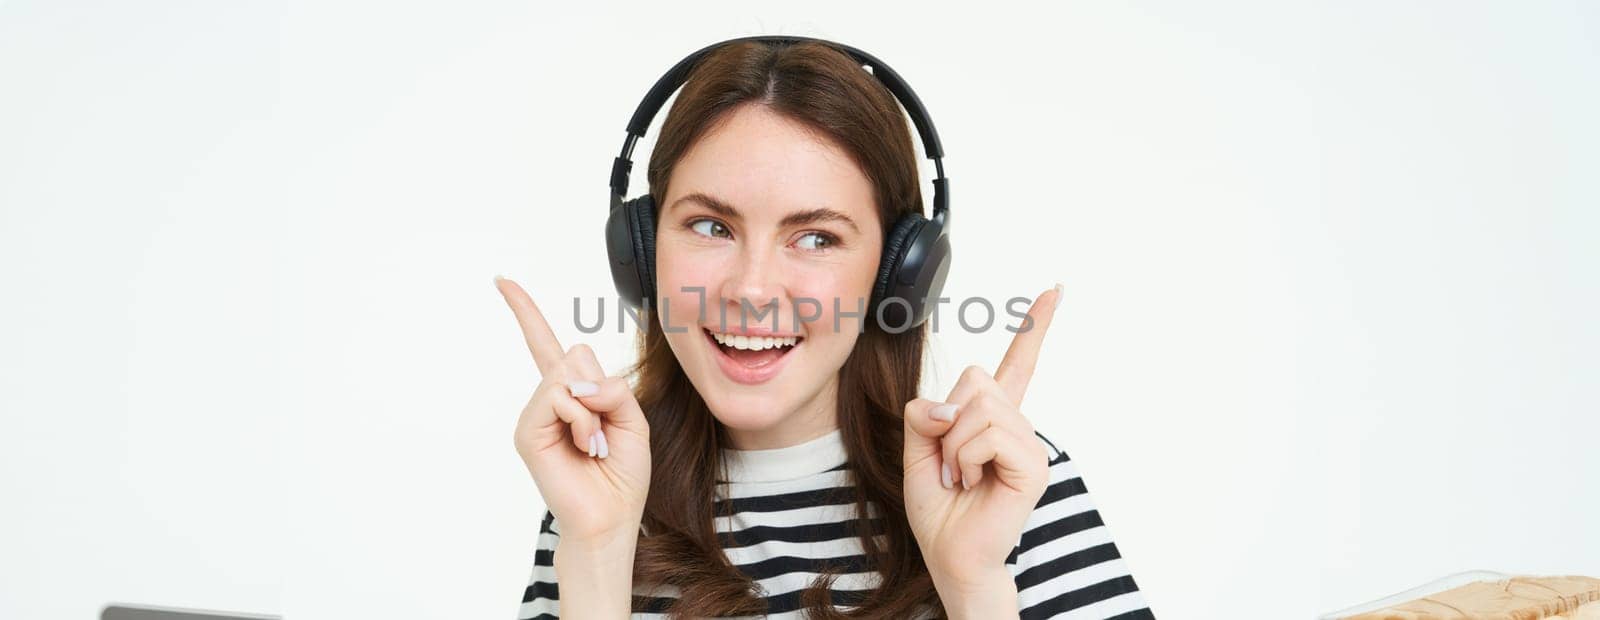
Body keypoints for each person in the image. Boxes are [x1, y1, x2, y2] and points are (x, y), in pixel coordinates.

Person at [497, 37, 1152, 619]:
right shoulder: (596, 493)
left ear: (901, 272)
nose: (752, 290)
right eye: (710, 226)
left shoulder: (1004, 478)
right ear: (640, 254)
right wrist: (598, 558)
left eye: (816, 237)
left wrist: (973, 587)